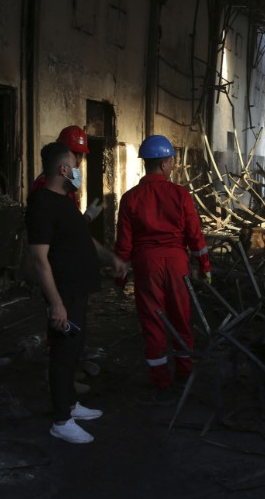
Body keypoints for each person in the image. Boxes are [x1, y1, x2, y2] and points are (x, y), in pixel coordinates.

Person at [26, 142, 126, 443]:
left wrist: (111, 258)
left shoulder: (66, 201)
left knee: (74, 350)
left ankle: (70, 403)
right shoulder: (42, 204)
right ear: (63, 169)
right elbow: (39, 259)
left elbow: (84, 240)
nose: (79, 172)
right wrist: (55, 303)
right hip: (64, 292)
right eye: (75, 165)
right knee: (62, 353)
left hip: (77, 290)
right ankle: (60, 420)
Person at [115, 135, 211, 402]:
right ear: (167, 162)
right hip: (177, 263)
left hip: (147, 265)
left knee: (153, 320)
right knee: (181, 317)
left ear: (145, 163)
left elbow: (124, 243)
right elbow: (195, 235)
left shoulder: (130, 198)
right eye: (172, 162)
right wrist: (205, 266)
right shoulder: (180, 195)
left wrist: (120, 277)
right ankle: (184, 371)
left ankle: (160, 380)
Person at [30, 125, 102, 224]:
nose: (78, 160)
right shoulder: (46, 185)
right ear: (61, 152)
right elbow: (61, 228)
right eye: (74, 153)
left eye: (80, 154)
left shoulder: (66, 185)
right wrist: (85, 218)